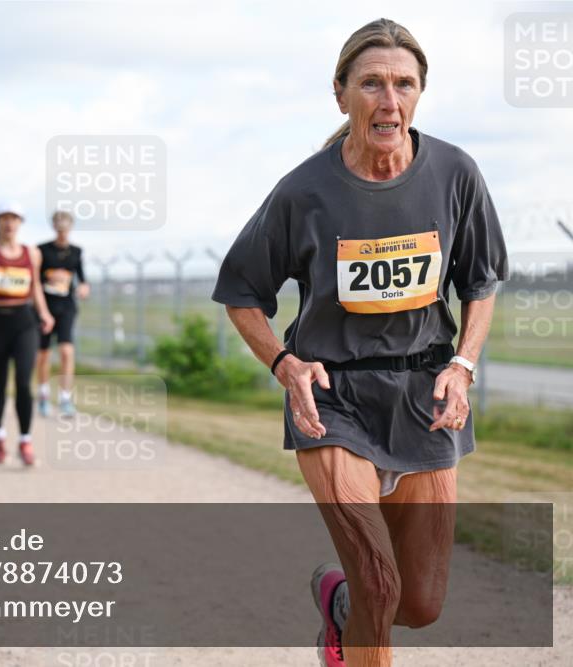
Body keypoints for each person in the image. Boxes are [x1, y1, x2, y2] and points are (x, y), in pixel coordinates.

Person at [211, 19, 507, 667]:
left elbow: (480, 281)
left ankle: (338, 603)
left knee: (419, 603)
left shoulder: (455, 173)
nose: (389, 100)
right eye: (372, 83)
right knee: (379, 579)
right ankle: (359, 599)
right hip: (333, 397)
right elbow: (241, 290)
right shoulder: (304, 191)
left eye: (404, 84)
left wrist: (463, 364)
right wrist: (284, 364)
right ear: (340, 93)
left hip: (425, 397)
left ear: (421, 93)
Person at [0, 202, 54, 466]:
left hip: (24, 322)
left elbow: (35, 286)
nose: (9, 223)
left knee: (24, 383)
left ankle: (25, 441)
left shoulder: (32, 254)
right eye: (4, 218)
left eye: (14, 218)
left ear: (20, 223)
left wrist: (45, 313)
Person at [35, 210, 89, 417]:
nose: (62, 231)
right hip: (45, 307)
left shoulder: (76, 252)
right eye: (59, 227)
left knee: (67, 351)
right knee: (44, 353)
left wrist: (83, 287)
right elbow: (34, 279)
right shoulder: (42, 250)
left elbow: (82, 278)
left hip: (66, 306)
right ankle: (43, 394)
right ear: (54, 227)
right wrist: (49, 278)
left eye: (65, 227)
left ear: (70, 228)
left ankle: (65, 397)